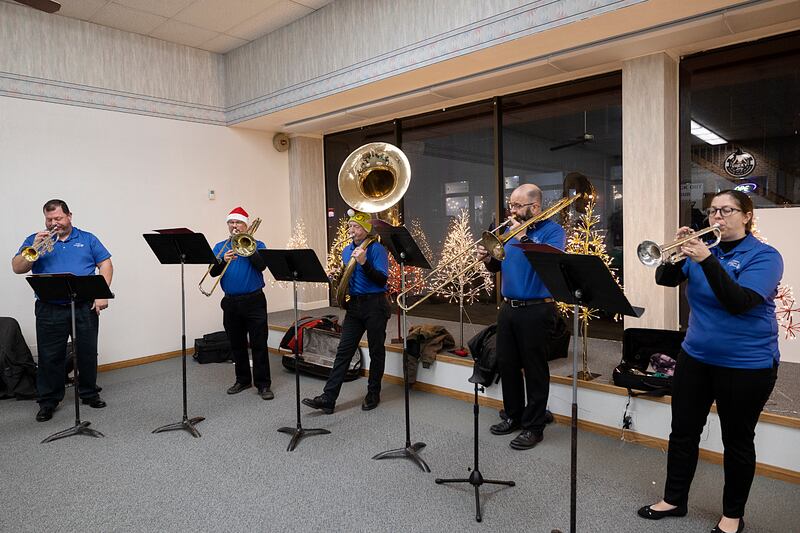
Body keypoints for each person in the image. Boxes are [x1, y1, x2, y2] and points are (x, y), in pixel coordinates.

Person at [637, 190, 782, 533]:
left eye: (727, 210)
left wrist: (706, 260)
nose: (716, 217)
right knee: (683, 432)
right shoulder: (705, 249)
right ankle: (673, 499)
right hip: (696, 355)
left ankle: (732, 515)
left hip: (747, 363)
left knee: (737, 439)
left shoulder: (765, 256)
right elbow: (664, 279)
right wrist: (672, 256)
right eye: (713, 211)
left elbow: (739, 301)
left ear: (746, 215)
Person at [478, 183, 565, 450]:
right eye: (511, 205)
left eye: (517, 206)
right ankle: (514, 415)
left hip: (537, 309)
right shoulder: (507, 230)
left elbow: (547, 264)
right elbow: (499, 264)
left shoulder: (554, 232)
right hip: (508, 308)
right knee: (507, 364)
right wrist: (486, 259)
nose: (511, 210)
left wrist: (524, 236)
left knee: (536, 369)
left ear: (535, 207)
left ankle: (535, 427)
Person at [11, 200, 113, 422]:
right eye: (49, 219)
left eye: (58, 218)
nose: (54, 223)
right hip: (49, 309)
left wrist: (101, 294)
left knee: (87, 352)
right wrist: (35, 250)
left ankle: (88, 393)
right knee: (49, 357)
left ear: (69, 216)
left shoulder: (87, 239)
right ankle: (48, 401)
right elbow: (17, 267)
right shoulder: (36, 240)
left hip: (84, 305)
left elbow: (105, 263)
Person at [302, 211, 390, 414]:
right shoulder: (345, 250)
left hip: (375, 305)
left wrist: (364, 262)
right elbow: (348, 279)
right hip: (355, 307)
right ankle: (329, 398)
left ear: (366, 229)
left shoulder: (377, 249)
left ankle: (373, 393)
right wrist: (337, 277)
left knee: (377, 351)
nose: (351, 230)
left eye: (356, 226)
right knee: (343, 351)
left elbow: (381, 280)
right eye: (350, 226)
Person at [209, 207, 273, 400]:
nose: (234, 226)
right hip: (230, 302)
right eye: (231, 223)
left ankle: (263, 384)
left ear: (246, 225)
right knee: (236, 344)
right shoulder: (220, 246)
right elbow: (212, 272)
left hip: (254, 301)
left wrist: (248, 247)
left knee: (259, 343)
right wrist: (222, 260)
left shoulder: (258, 243)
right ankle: (243, 379)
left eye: (238, 223)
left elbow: (262, 265)